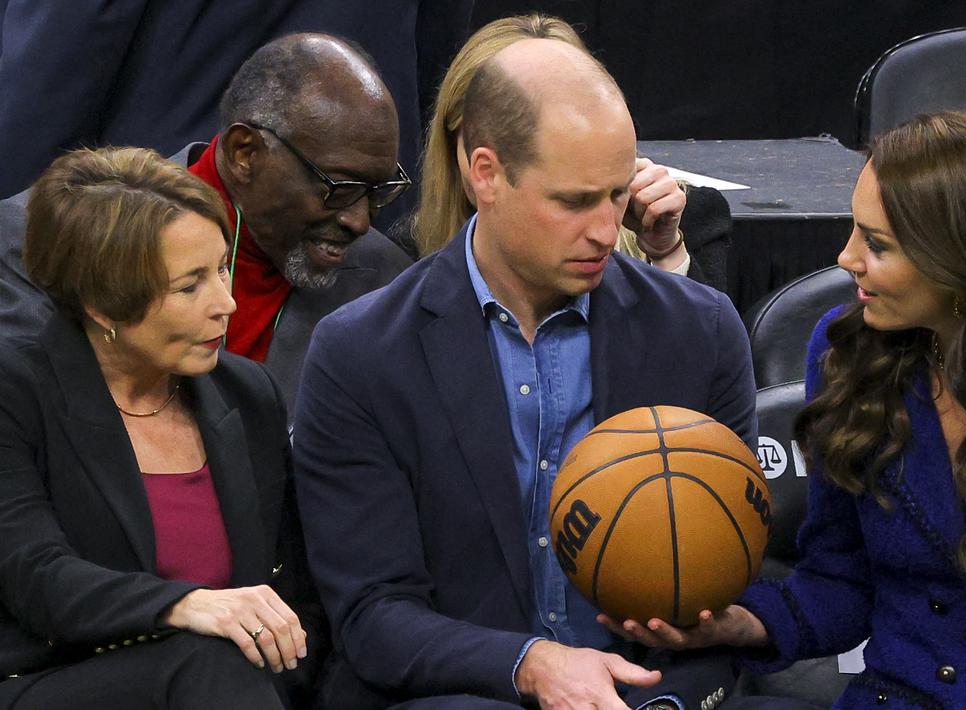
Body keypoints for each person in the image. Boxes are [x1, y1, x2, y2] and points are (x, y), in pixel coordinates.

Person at [605, 111, 966, 709]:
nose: (846, 258)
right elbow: (840, 586)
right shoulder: (845, 353)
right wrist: (738, 623)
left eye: (877, 244)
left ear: (964, 258)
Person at [293, 38, 758, 709]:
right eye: (573, 202)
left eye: (616, 194)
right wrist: (531, 664)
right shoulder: (360, 354)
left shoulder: (701, 332)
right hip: (459, 695)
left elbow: (726, 578)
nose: (605, 229)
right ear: (485, 173)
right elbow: (372, 615)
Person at [0, 147, 321, 709]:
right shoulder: (16, 390)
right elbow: (35, 576)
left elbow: (288, 586)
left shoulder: (247, 394)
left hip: (225, 690)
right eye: (190, 285)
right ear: (103, 304)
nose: (226, 303)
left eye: (223, 267)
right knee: (210, 661)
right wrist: (184, 604)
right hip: (56, 681)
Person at [0, 33, 414, 421]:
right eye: (338, 188)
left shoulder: (388, 285)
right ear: (244, 153)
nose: (359, 220)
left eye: (380, 190)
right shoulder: (41, 237)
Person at [0, 0, 475, 232]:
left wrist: (23, 238)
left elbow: (50, 70)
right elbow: (439, 47)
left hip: (158, 219)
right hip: (358, 205)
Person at [406, 13, 733, 288]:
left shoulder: (686, 220)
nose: (603, 235)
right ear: (462, 152)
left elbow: (706, 354)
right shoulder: (407, 256)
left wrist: (666, 253)